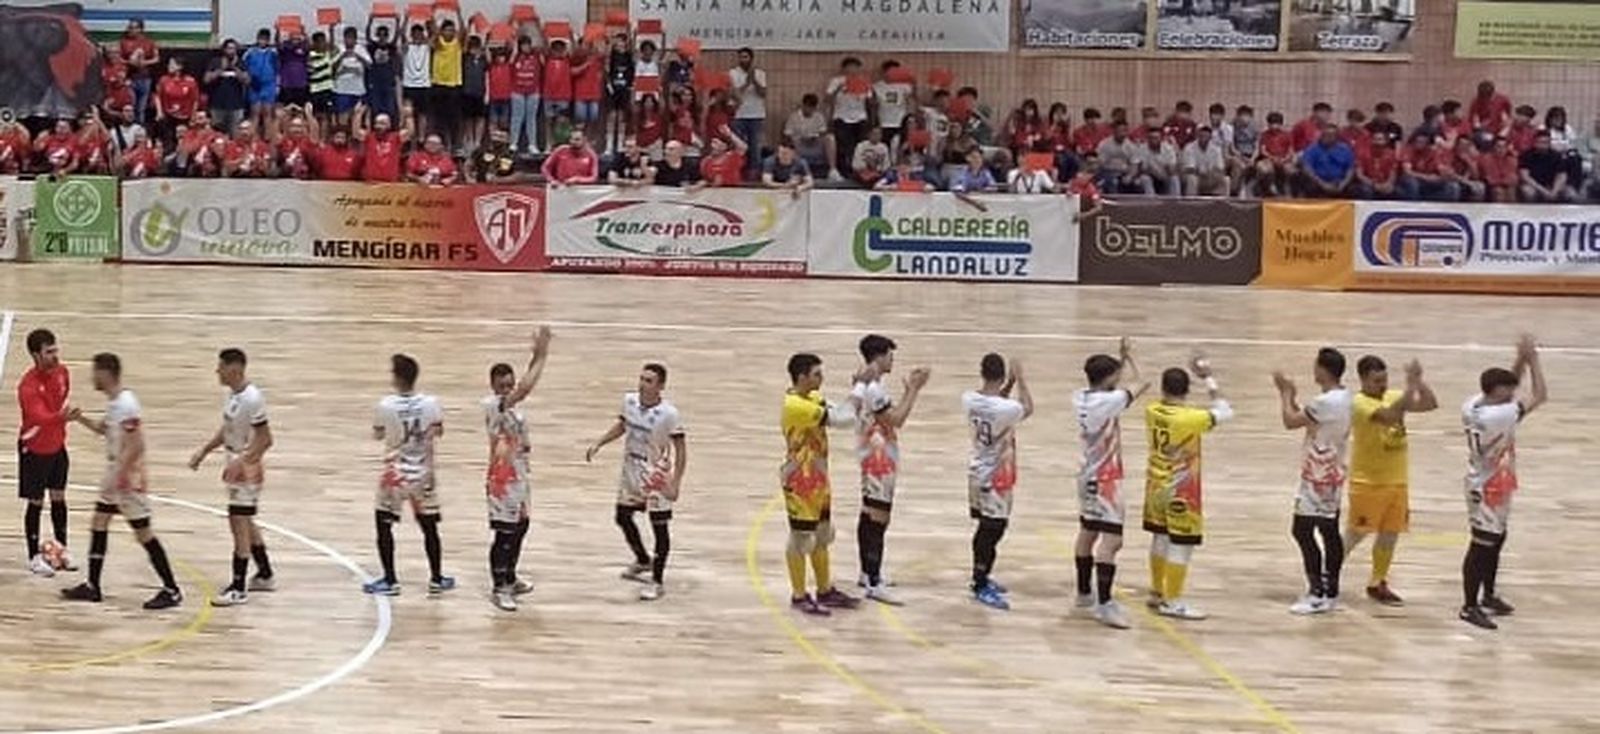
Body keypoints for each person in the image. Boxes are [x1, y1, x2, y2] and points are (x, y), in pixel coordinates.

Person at [61, 354, 183, 610]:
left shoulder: (127, 405)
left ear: (106, 373)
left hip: (128, 479)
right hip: (117, 474)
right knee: (99, 522)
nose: (92, 378)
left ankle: (172, 589)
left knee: (143, 532)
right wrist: (80, 418)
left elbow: (137, 445)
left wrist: (121, 475)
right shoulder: (115, 403)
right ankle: (93, 585)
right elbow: (104, 430)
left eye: (95, 372)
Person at [1458, 336, 1547, 630]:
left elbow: (1510, 387)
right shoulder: (1500, 416)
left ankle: (1488, 594)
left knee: (1496, 538)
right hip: (1485, 487)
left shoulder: (1473, 404)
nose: (1512, 391)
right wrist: (1532, 360)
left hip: (1494, 481)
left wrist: (1519, 360)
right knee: (1481, 545)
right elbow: (1539, 394)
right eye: (1507, 389)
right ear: (1497, 392)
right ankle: (1469, 606)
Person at [584, 363, 687, 602]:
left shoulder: (669, 414)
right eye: (641, 379)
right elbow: (623, 425)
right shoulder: (629, 401)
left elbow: (681, 450)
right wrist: (599, 442)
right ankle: (642, 560)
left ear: (661, 386)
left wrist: (676, 483)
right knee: (622, 516)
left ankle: (657, 581)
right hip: (630, 470)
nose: (642, 384)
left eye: (649, 381)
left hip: (655, 476)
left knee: (659, 528)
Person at [1143, 355, 1231, 620]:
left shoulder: (1151, 410)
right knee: (1181, 546)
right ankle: (1173, 601)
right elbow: (1225, 410)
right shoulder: (1191, 418)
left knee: (1160, 538)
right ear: (1187, 389)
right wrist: (1208, 378)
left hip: (1155, 485)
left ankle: (1157, 591)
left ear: (1163, 388)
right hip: (1181, 490)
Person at [186, 349, 275, 607]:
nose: (217, 371)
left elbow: (266, 439)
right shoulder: (234, 396)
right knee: (245, 521)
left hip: (247, 470)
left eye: (221, 367)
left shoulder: (252, 399)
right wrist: (204, 451)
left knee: (238, 523)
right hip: (236, 462)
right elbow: (227, 429)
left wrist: (243, 462)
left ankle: (238, 587)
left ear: (234, 369)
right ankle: (265, 574)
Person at [1346, 355, 1437, 606]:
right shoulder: (1359, 403)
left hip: (1397, 480)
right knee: (1355, 535)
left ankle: (1377, 582)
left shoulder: (1393, 395)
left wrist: (1419, 382)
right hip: (1368, 482)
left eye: (1384, 379)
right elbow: (1388, 416)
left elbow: (1430, 403)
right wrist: (1411, 386)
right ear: (1362, 379)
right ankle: (1326, 575)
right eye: (1376, 381)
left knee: (1390, 534)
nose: (1383, 385)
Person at [1072, 339, 1149, 630]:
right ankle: (1104, 605)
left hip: (1086, 475)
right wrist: (1130, 358)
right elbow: (1142, 383)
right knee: (1112, 541)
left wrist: (1119, 361)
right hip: (1105, 479)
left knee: (1088, 532)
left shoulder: (1080, 396)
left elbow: (1113, 387)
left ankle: (1084, 593)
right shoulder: (1109, 401)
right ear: (1108, 379)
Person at [849, 335, 930, 606]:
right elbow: (896, 419)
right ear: (880, 356)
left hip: (871, 455)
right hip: (879, 459)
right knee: (878, 519)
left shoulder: (867, 383)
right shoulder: (873, 389)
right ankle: (874, 582)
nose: (892, 360)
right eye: (890, 355)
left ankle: (866, 573)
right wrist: (914, 390)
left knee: (869, 514)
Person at [364, 354, 453, 597]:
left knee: (384, 525)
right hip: (423, 474)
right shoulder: (431, 403)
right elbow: (439, 431)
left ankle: (390, 580)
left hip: (395, 475)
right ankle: (436, 578)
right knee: (429, 528)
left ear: (397, 377)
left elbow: (378, 435)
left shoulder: (386, 405)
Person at [780, 353, 861, 616]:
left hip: (818, 477)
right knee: (801, 538)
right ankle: (798, 595)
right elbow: (843, 420)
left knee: (822, 534)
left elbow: (842, 412)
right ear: (802, 377)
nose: (821, 378)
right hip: (799, 481)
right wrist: (860, 387)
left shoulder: (813, 397)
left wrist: (857, 393)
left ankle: (825, 589)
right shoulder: (795, 406)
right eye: (817, 374)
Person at [1273, 349, 1352, 616]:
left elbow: (1290, 421)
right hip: (1333, 470)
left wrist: (1285, 393)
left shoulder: (1325, 402)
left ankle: (1318, 592)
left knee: (1303, 530)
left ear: (1324, 369)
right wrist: (1293, 398)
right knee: (1329, 531)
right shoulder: (1344, 397)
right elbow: (1309, 422)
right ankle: (1330, 591)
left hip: (1319, 474)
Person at [482, 328, 552, 611]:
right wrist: (543, 356)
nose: (508, 390)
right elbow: (525, 389)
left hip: (519, 476)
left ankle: (510, 576)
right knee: (505, 534)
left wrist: (535, 354)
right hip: (502, 481)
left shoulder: (513, 408)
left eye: (509, 385)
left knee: (521, 527)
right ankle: (499, 587)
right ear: (493, 386)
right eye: (502, 386)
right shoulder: (493, 405)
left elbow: (522, 386)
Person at [963, 353, 1032, 611]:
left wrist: (1009, 383)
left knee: (987, 527)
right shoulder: (1008, 409)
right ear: (1001, 376)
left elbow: (996, 403)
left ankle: (981, 575)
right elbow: (1028, 407)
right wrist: (1020, 379)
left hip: (976, 471)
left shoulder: (969, 399)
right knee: (993, 529)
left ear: (982, 373)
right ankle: (979, 582)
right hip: (995, 476)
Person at [18, 329, 74, 577]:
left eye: (55, 350)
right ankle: (34, 557)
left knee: (59, 498)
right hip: (35, 449)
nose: (55, 355)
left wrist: (61, 420)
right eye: (49, 352)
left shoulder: (63, 373)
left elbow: (62, 397)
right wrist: (62, 417)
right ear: (35, 355)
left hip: (57, 446)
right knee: (36, 502)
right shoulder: (28, 386)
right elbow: (39, 417)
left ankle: (61, 550)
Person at [826, 57, 872, 180]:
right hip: (842, 117)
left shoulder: (863, 81)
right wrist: (840, 88)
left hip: (860, 117)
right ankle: (843, 172)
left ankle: (859, 172)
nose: (853, 70)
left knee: (860, 146)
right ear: (844, 68)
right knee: (843, 146)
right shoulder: (837, 81)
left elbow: (870, 101)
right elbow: (828, 99)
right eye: (850, 67)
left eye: (856, 67)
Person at [728, 47, 767, 180]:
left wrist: (754, 81)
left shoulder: (760, 73)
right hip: (738, 115)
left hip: (756, 115)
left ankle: (754, 174)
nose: (743, 60)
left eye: (745, 57)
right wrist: (747, 83)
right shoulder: (732, 73)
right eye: (741, 57)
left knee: (755, 147)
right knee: (739, 146)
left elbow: (763, 94)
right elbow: (734, 95)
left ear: (751, 59)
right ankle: (737, 172)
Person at [354, 102, 414, 182]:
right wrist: (358, 115)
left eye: (382, 123)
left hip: (390, 181)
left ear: (389, 125)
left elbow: (409, 132)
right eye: (377, 123)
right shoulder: (369, 137)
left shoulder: (395, 137)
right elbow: (356, 133)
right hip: (371, 181)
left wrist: (409, 117)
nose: (379, 126)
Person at [205, 39, 251, 135]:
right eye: (229, 48)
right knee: (217, 135)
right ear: (224, 49)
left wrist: (235, 68)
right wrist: (221, 69)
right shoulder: (215, 62)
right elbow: (206, 79)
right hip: (218, 105)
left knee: (235, 134)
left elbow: (247, 81)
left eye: (233, 48)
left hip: (236, 106)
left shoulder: (240, 63)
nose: (231, 51)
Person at [783, 94, 835, 177]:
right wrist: (800, 139)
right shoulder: (793, 117)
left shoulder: (819, 116)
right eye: (808, 107)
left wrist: (815, 138)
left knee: (830, 138)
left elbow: (823, 132)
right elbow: (787, 135)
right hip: (800, 145)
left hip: (815, 144)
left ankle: (832, 170)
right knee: (793, 141)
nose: (810, 110)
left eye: (812, 108)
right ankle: (795, 171)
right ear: (803, 105)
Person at [1299, 125, 1356, 198]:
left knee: (1356, 190)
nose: (1327, 137)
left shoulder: (1345, 149)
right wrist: (1322, 184)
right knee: (1309, 186)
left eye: (1331, 135)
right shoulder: (1312, 149)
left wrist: (1343, 184)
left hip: (1339, 182)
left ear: (1336, 137)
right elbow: (1307, 168)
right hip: (1318, 182)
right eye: (1325, 134)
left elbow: (1350, 169)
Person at [1518, 131, 1575, 202]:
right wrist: (1544, 191)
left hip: (1552, 185)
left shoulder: (1556, 156)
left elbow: (1562, 175)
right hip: (1535, 186)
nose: (1542, 145)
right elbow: (1525, 177)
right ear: (1535, 143)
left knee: (1570, 193)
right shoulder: (1527, 155)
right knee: (1528, 191)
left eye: (1545, 142)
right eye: (1540, 142)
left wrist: (1554, 191)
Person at [332, 28, 372, 127]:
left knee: (357, 115)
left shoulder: (361, 49)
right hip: (342, 89)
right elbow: (332, 66)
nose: (349, 40)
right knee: (343, 115)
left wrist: (358, 56)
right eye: (347, 37)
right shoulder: (339, 48)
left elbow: (369, 65)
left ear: (355, 39)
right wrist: (342, 56)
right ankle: (343, 132)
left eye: (352, 38)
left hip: (358, 89)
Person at [510, 35, 543, 156]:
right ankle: (513, 143)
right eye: (523, 45)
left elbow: (543, 51)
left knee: (531, 118)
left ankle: (532, 144)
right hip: (517, 91)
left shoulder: (536, 56)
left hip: (533, 92)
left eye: (528, 44)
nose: (526, 47)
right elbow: (510, 61)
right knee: (517, 118)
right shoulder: (516, 57)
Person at [243, 28, 280, 134]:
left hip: (269, 85)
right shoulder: (250, 52)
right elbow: (244, 68)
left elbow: (277, 69)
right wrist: (248, 80)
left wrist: (277, 85)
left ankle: (268, 137)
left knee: (268, 113)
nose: (263, 41)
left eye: (265, 39)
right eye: (261, 38)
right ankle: (253, 137)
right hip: (254, 86)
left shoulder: (273, 53)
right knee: (255, 113)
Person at [1181, 126, 1229, 197]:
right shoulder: (1189, 148)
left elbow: (1220, 168)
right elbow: (1190, 169)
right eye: (1201, 136)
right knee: (1192, 179)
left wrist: (1212, 175)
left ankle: (1222, 202)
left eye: (1206, 136)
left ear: (1210, 137)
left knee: (1226, 180)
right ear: (1197, 136)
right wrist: (1202, 173)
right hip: (1196, 176)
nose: (1203, 138)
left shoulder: (1216, 149)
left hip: (1211, 176)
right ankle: (1191, 202)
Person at [1134, 126, 1180, 196]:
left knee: (1174, 178)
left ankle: (1176, 201)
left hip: (1165, 177)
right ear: (1147, 139)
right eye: (1151, 138)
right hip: (1150, 177)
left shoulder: (1168, 149)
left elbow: (1172, 169)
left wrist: (1168, 169)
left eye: (1156, 138)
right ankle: (1151, 200)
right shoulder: (1141, 149)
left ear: (1161, 138)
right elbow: (1138, 167)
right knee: (1144, 178)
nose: (1153, 140)